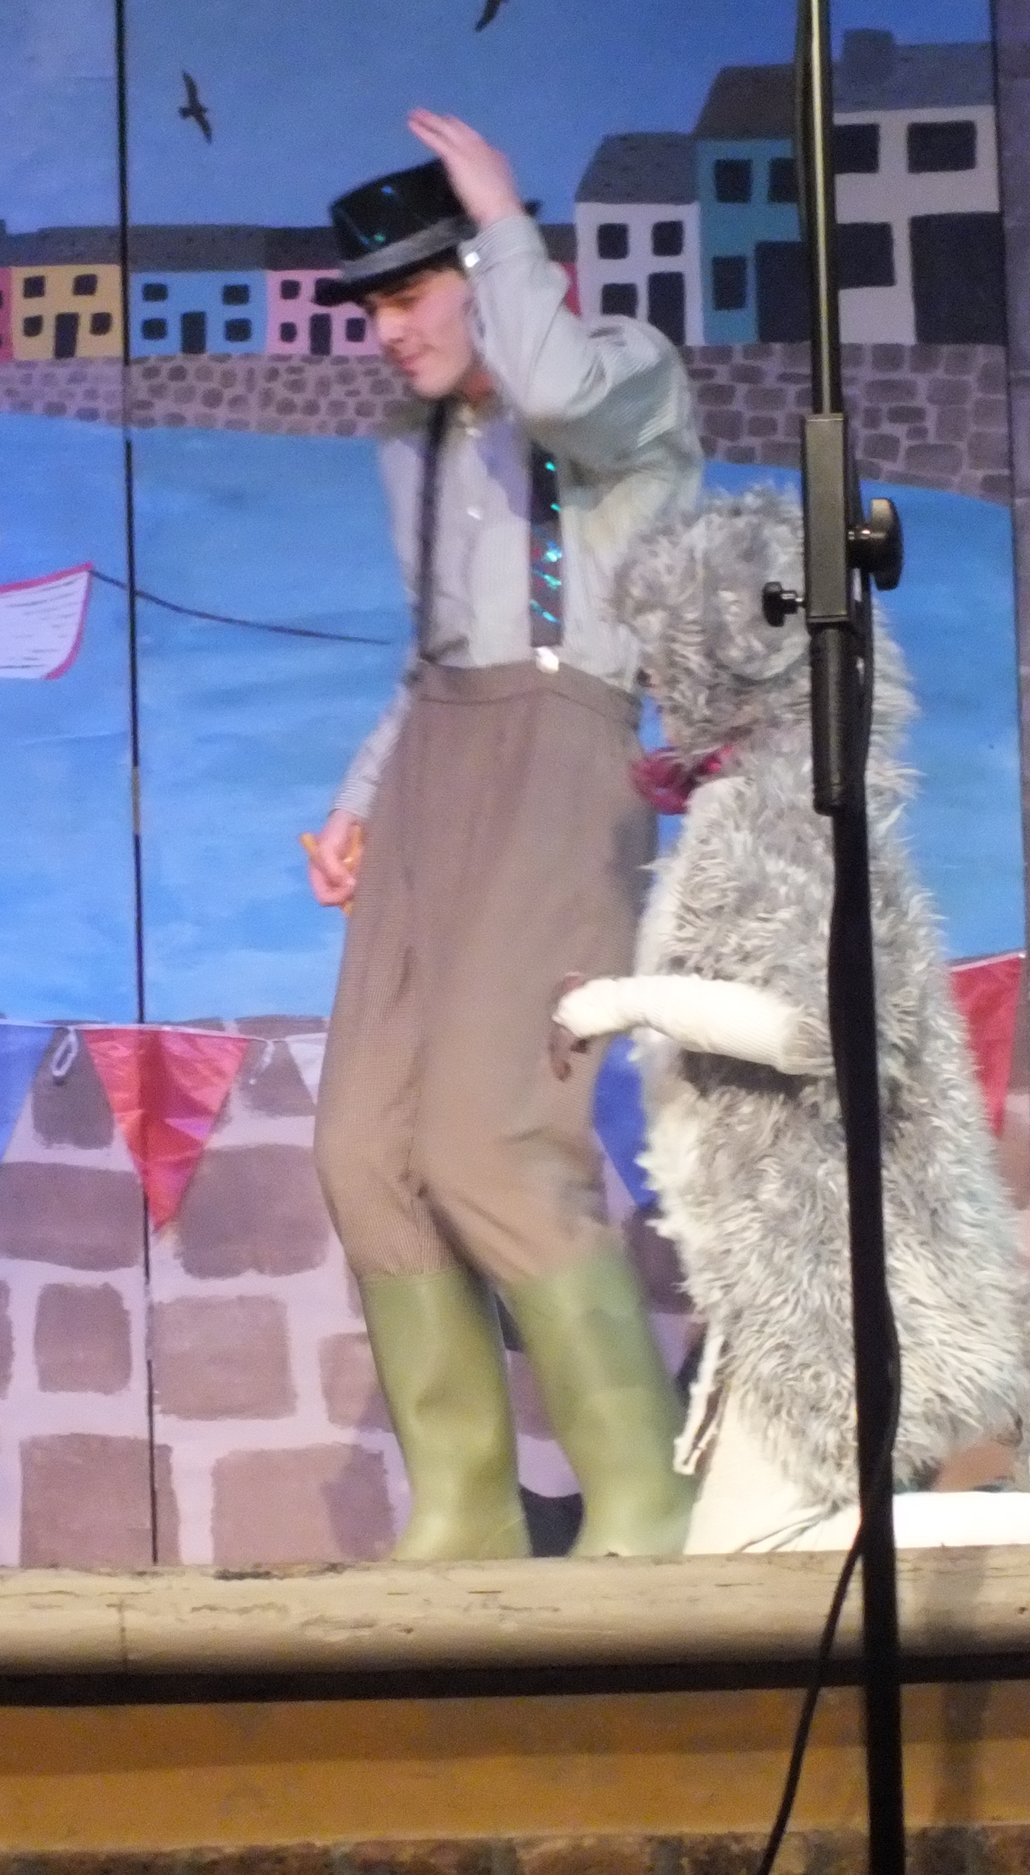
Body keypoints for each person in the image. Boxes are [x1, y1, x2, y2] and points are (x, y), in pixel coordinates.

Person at [303, 112, 705, 1560]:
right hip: (438, 761)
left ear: (491, 270)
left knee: (489, 1136)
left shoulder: (626, 380)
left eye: (411, 294)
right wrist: (361, 802)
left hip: (564, 755)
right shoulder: (411, 444)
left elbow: (556, 389)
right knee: (362, 1143)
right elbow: (430, 656)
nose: (386, 332)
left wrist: (499, 218)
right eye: (371, 307)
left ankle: (644, 1498)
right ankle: (468, 1502)